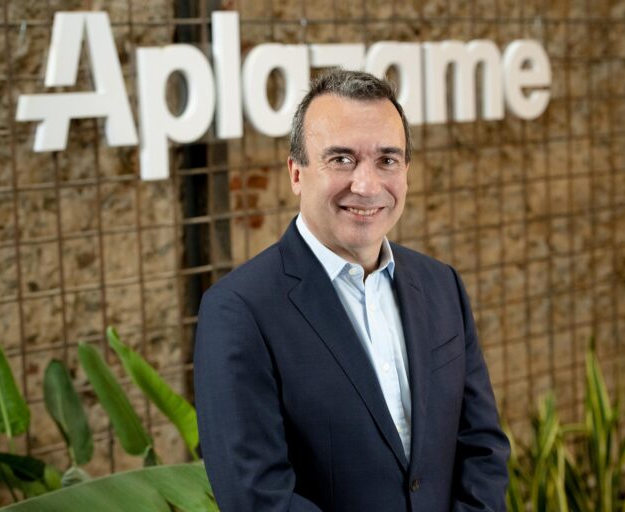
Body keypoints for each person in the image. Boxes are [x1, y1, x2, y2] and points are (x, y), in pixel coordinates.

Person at [194, 69, 510, 511]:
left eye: (387, 160)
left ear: (406, 171)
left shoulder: (442, 286)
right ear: (296, 173)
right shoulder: (238, 311)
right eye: (341, 159)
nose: (366, 185)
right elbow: (257, 497)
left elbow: (482, 449)